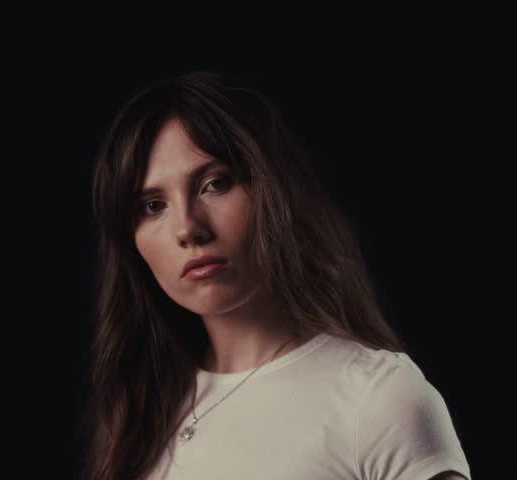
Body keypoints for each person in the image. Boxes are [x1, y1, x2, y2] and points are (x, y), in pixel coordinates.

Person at [79, 69, 471, 480]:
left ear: (271, 191)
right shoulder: (143, 412)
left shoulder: (376, 400)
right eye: (152, 206)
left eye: (215, 184)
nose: (187, 228)